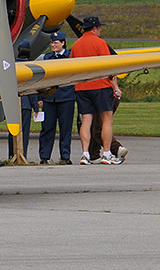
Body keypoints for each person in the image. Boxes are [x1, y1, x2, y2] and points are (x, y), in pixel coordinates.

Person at [70, 16, 122, 165]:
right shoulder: (100, 43)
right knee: (107, 119)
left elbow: (72, 66)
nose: (100, 30)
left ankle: (85, 154)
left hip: (82, 87)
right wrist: (115, 87)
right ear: (94, 28)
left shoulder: (76, 45)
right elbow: (108, 66)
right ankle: (106, 153)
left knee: (86, 120)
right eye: (99, 28)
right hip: (100, 86)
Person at [37, 32, 75, 165]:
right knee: (47, 128)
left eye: (56, 43)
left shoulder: (70, 57)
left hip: (66, 97)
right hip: (49, 98)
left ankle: (65, 156)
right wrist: (40, 96)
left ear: (63, 43)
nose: (53, 45)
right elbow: (42, 78)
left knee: (65, 128)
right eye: (52, 43)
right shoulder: (48, 58)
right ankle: (44, 156)